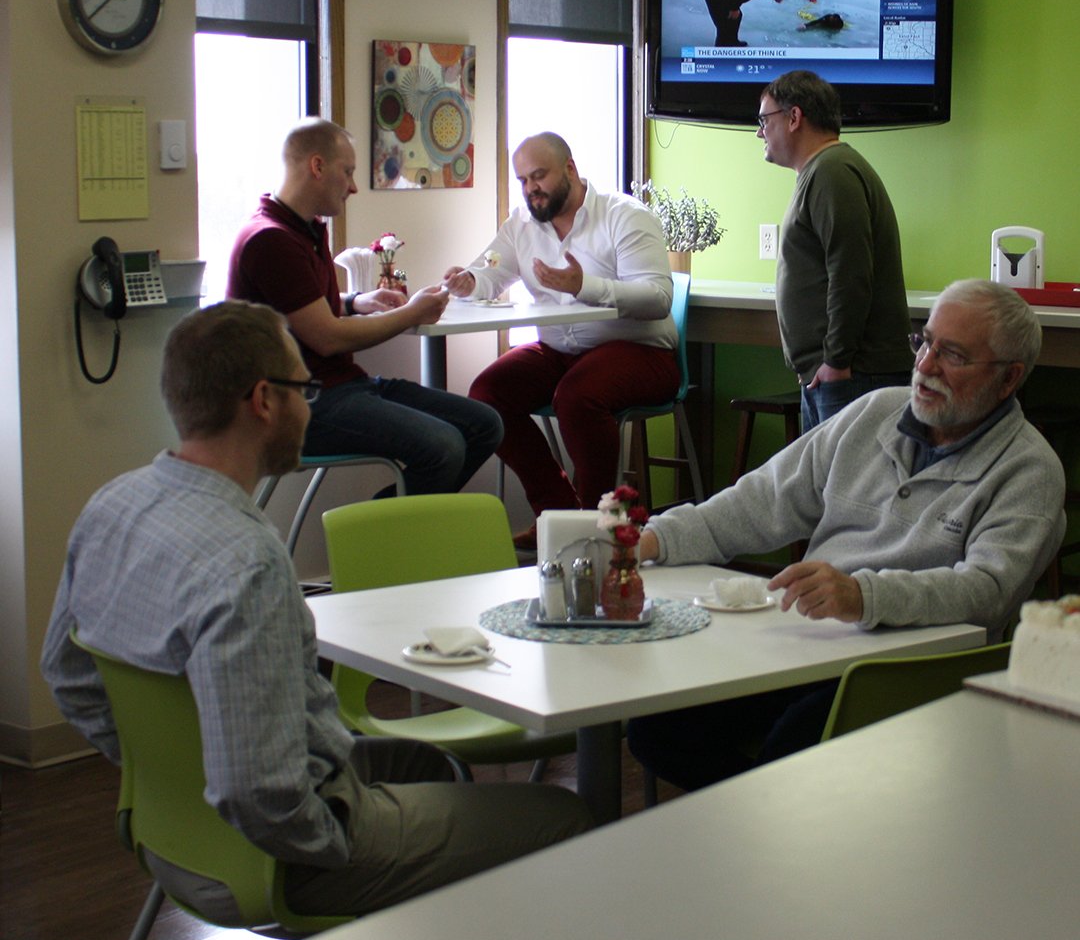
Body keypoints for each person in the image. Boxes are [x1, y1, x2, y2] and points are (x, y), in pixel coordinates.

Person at [41, 301, 592, 920]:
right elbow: (257, 791)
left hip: (164, 831)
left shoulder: (110, 507)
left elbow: (67, 675)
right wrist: (333, 843)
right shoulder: (247, 563)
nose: (309, 408)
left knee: (425, 764)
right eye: (304, 388)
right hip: (288, 858)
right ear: (264, 401)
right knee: (566, 817)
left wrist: (170, 779)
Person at [627, 279, 1065, 793]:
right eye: (923, 341)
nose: (925, 365)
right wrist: (652, 539)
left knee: (793, 748)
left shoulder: (1028, 470)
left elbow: (989, 592)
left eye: (953, 355)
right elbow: (762, 499)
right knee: (658, 728)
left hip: (916, 670)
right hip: (811, 646)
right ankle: (773, 821)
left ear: (1009, 378)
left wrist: (863, 595)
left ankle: (774, 824)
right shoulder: (874, 412)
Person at [227, 117, 502, 496]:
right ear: (317, 166)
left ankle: (382, 524)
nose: (354, 186)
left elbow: (296, 310)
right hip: (301, 402)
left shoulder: (304, 226)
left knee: (485, 424)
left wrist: (356, 302)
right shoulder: (271, 240)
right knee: (444, 446)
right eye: (348, 172)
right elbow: (326, 338)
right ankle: (377, 538)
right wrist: (413, 312)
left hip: (342, 385)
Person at [444, 132, 680, 548]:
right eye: (523, 180)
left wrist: (584, 286)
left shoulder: (625, 215)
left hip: (643, 353)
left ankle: (596, 526)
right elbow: (490, 273)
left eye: (540, 175)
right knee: (487, 393)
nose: (531, 188)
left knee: (576, 396)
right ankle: (557, 513)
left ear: (570, 169)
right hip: (561, 352)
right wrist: (468, 281)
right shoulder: (520, 224)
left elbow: (658, 299)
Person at [758, 70, 914, 430]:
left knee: (846, 486)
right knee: (826, 485)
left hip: (852, 374)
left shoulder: (832, 173)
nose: (759, 132)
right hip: (837, 373)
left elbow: (850, 272)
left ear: (794, 117)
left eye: (764, 119)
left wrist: (836, 359)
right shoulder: (824, 170)